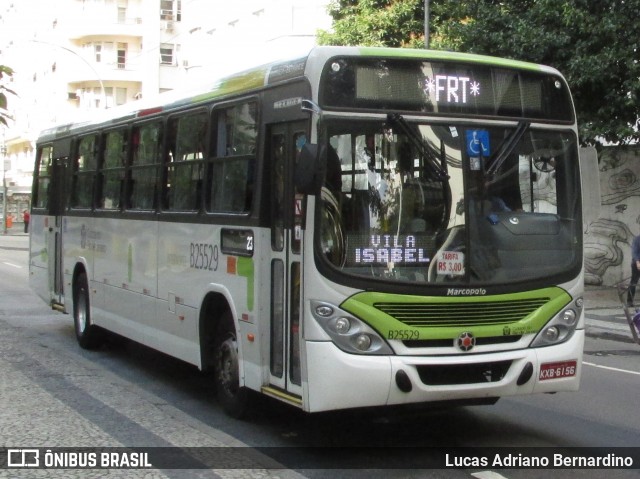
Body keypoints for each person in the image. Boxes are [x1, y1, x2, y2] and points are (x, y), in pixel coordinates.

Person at [627, 233, 640, 306]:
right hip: (637, 263)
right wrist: (638, 263)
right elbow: (634, 252)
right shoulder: (637, 239)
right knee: (634, 282)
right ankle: (629, 301)